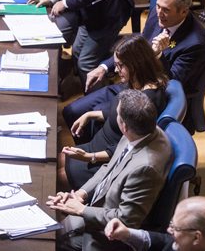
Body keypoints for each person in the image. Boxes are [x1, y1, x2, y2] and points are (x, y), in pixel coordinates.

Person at [62, 0, 205, 132]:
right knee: (71, 111)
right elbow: (134, 50)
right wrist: (104, 67)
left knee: (94, 120)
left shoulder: (194, 43)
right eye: (157, 6)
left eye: (165, 9)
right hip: (130, 83)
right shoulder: (156, 14)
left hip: (148, 98)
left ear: (184, 11)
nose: (159, 12)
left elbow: (171, 83)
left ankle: (93, 153)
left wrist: (158, 55)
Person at [47, 89, 172, 251]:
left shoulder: (145, 168)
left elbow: (126, 221)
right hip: (98, 207)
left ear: (124, 126)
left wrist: (82, 210)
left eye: (117, 115)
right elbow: (109, 167)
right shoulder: (143, 130)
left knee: (49, 243)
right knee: (52, 228)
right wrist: (81, 194)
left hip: (108, 237)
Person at [60, 35, 168, 190]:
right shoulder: (135, 82)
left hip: (106, 161)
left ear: (135, 65)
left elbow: (129, 148)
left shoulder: (145, 101)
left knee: (55, 177)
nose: (116, 70)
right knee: (53, 161)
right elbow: (117, 112)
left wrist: (89, 158)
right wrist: (89, 114)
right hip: (96, 146)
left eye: (120, 66)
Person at [104, 196, 205, 251]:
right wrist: (127, 234)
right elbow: (166, 241)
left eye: (175, 228)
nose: (169, 230)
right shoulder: (203, 240)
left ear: (196, 237)